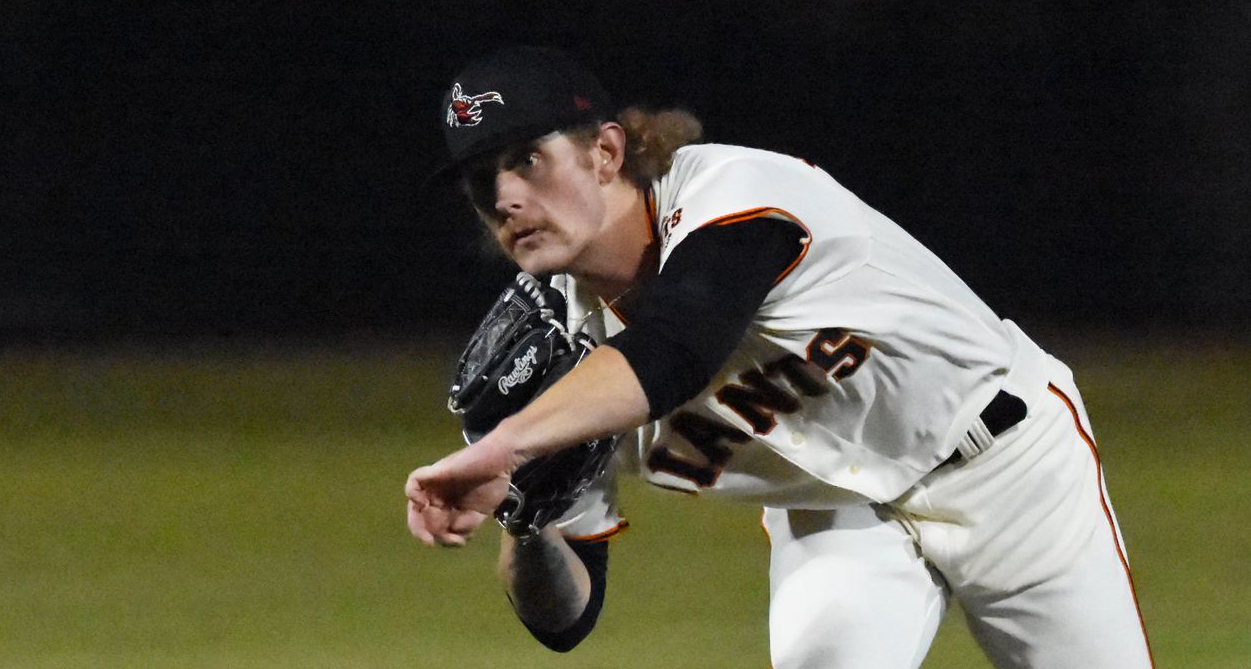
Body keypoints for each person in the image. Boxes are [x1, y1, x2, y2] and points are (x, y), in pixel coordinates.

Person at [405, 45, 1154, 668]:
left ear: (606, 151)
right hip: (837, 519)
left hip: (1007, 465)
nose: (505, 194)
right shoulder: (551, 366)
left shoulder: (732, 193)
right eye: (481, 180)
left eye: (528, 159)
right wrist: (525, 514)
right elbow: (567, 617)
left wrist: (509, 441)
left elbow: (676, 348)